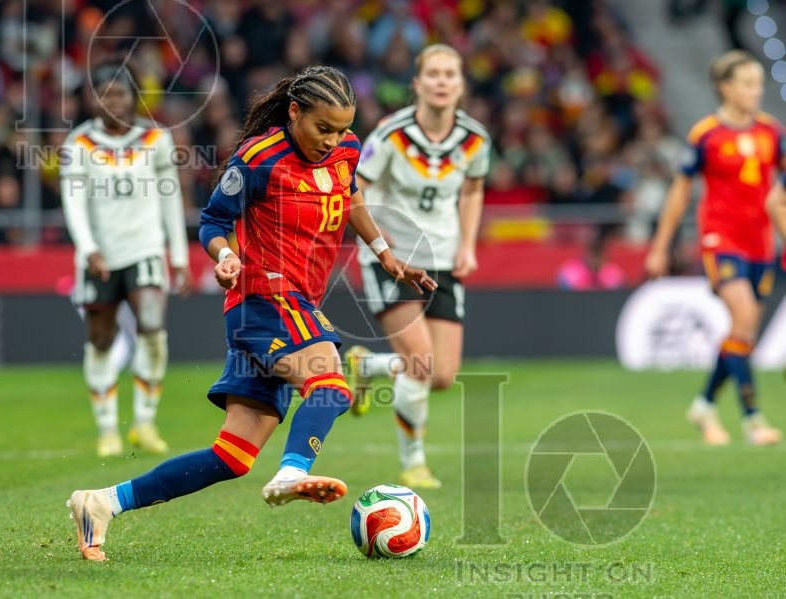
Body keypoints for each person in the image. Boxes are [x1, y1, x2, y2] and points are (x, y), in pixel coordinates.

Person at [66, 65, 435, 561]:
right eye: (322, 128)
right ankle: (293, 471)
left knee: (232, 457)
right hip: (264, 299)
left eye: (341, 129)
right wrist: (224, 255)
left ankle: (101, 503)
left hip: (296, 304)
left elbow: (351, 197)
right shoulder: (259, 158)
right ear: (294, 112)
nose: (332, 140)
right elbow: (215, 218)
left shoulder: (347, 150)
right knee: (329, 387)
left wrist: (385, 252)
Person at [342, 44, 490, 489]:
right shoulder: (390, 135)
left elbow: (471, 190)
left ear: (461, 84)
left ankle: (368, 368)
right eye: (434, 74)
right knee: (421, 365)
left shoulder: (475, 139)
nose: (442, 81)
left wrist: (468, 244)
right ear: (418, 83)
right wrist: (381, 247)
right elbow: (354, 189)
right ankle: (414, 462)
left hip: (444, 260)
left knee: (442, 375)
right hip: (395, 261)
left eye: (451, 74)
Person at [645, 50, 784, 446]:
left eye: (758, 84)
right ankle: (753, 418)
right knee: (742, 317)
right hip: (720, 240)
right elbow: (679, 192)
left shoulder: (772, 132)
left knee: (743, 332)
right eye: (747, 84)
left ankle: (705, 404)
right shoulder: (706, 134)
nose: (756, 91)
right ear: (725, 87)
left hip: (761, 244)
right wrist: (660, 246)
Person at [61, 62, 191, 458]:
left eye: (120, 93)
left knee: (152, 327)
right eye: (105, 94)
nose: (113, 101)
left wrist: (180, 254)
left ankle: (144, 423)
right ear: (93, 99)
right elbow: (73, 201)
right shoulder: (78, 144)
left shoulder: (156, 139)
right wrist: (87, 249)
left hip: (146, 249)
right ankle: (107, 431)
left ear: (135, 98)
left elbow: (170, 199)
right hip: (100, 255)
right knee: (100, 340)